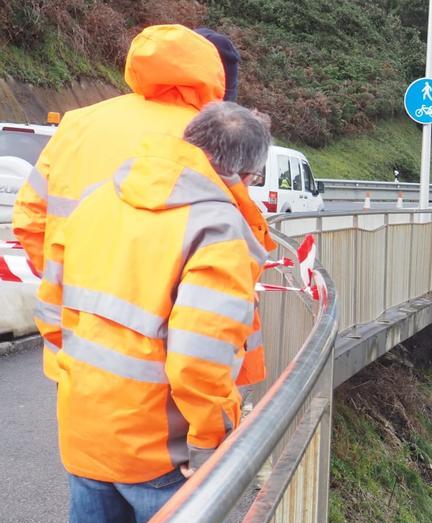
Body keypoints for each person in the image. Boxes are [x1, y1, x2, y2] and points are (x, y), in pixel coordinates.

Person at [52, 101, 270, 523]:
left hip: (84, 424)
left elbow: (51, 306)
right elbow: (200, 359)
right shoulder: (217, 229)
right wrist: (211, 442)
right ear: (243, 173)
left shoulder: (100, 194)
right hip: (159, 449)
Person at [12, 24, 272, 387]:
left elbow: (29, 222)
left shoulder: (78, 123)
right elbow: (226, 257)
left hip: (75, 343)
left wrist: (75, 290)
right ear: (214, 75)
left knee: (83, 438)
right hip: (162, 361)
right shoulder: (208, 141)